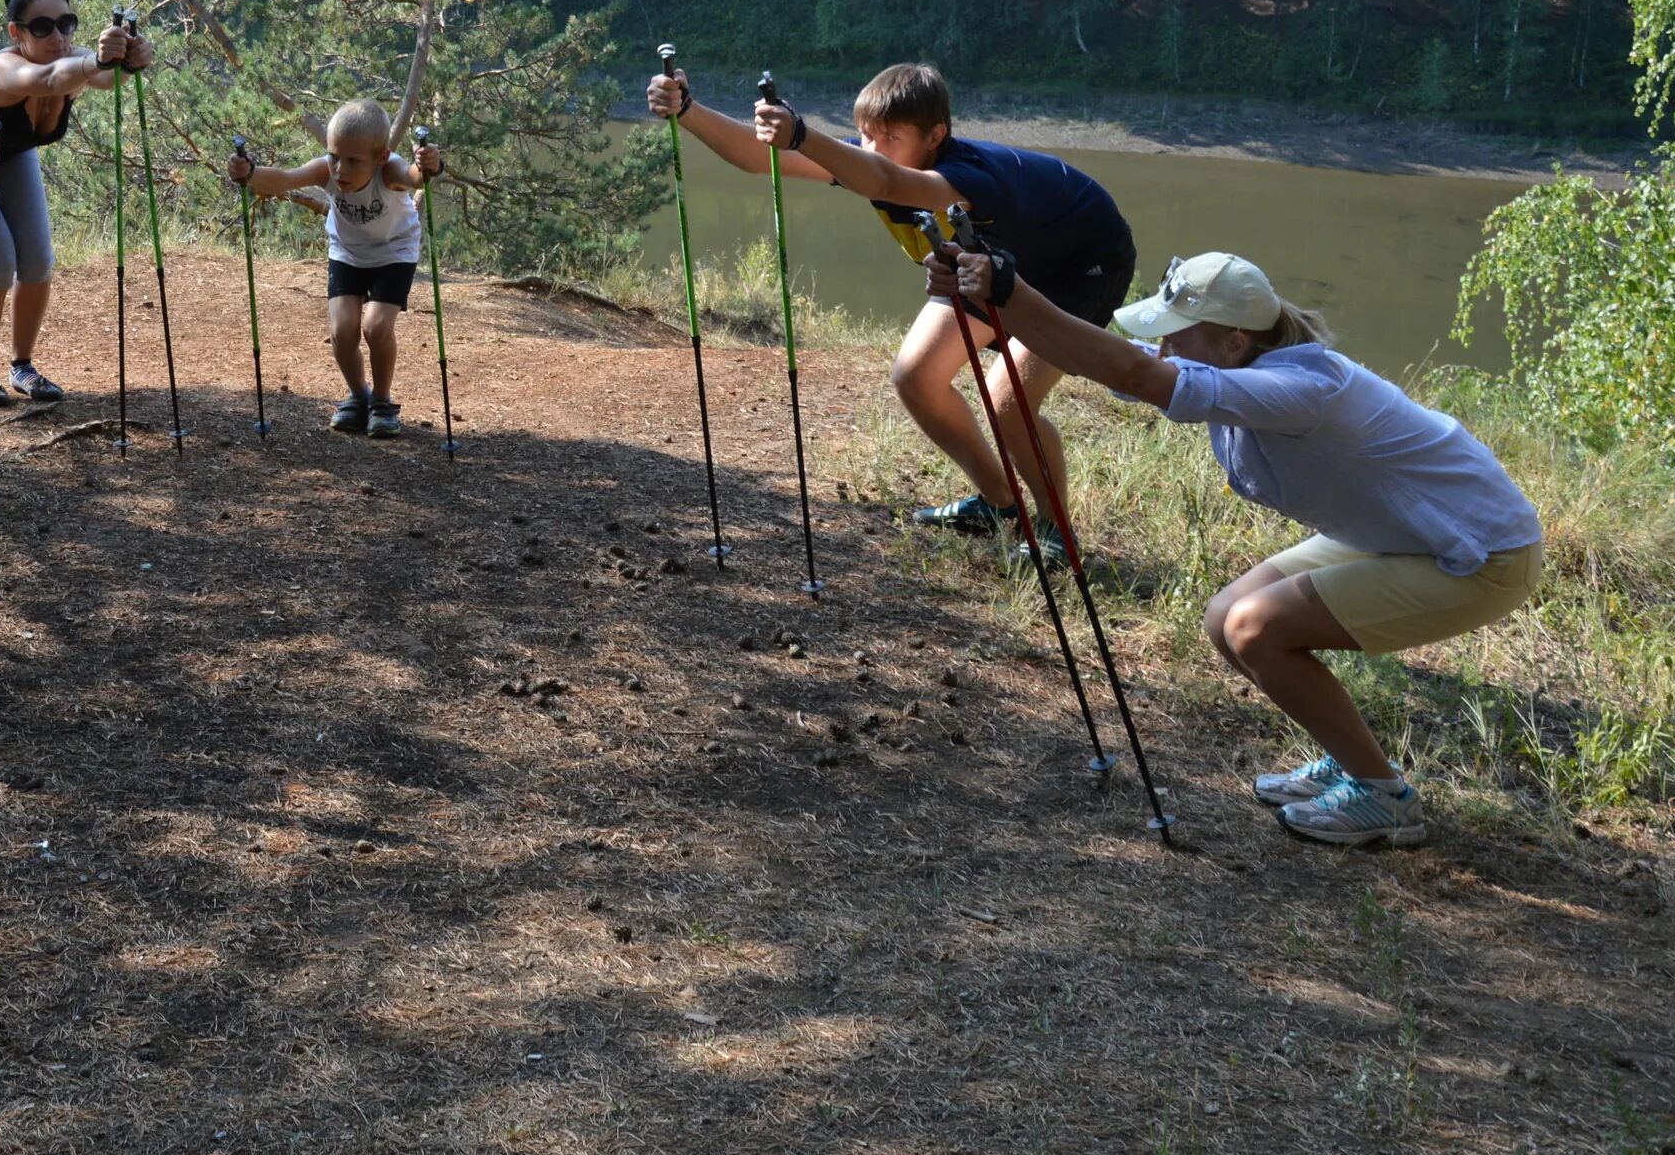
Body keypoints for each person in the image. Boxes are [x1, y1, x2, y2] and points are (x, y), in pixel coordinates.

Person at [932, 243, 1545, 849]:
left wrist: (1010, 290)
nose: (1166, 345)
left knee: (1257, 631)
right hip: (1400, 538)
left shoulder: (1298, 388)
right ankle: (1348, 757)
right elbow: (1112, 360)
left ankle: (1385, 798)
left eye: (1179, 333)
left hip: (1480, 557)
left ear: (1234, 341)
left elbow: (1135, 372)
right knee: (1226, 618)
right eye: (1163, 333)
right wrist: (993, 302)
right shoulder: (1237, 364)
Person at [647, 60, 1136, 550]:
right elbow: (761, 159)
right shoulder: (875, 163)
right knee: (916, 377)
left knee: (1008, 401)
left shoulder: (962, 177)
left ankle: (1055, 529)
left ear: (935, 135)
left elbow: (884, 182)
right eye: (864, 136)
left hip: (1083, 265)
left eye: (889, 137)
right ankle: (999, 503)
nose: (872, 148)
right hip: (992, 263)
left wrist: (804, 134)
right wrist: (688, 111)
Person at [0, 0, 150, 409]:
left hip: (11, 150)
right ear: (16, 32)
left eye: (66, 23)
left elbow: (105, 77)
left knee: (39, 260)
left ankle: (22, 366)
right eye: (42, 27)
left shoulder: (72, 56)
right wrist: (98, 62)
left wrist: (133, 57)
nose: (57, 36)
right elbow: (51, 81)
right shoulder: (3, 67)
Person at [228, 101, 443, 437]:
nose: (340, 169)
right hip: (347, 253)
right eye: (333, 156)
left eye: (354, 161)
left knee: (376, 327)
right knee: (343, 332)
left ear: (380, 157)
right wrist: (249, 173)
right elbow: (283, 179)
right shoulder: (326, 170)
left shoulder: (390, 171)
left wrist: (429, 165)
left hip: (394, 252)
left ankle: (382, 403)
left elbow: (415, 178)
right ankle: (360, 397)